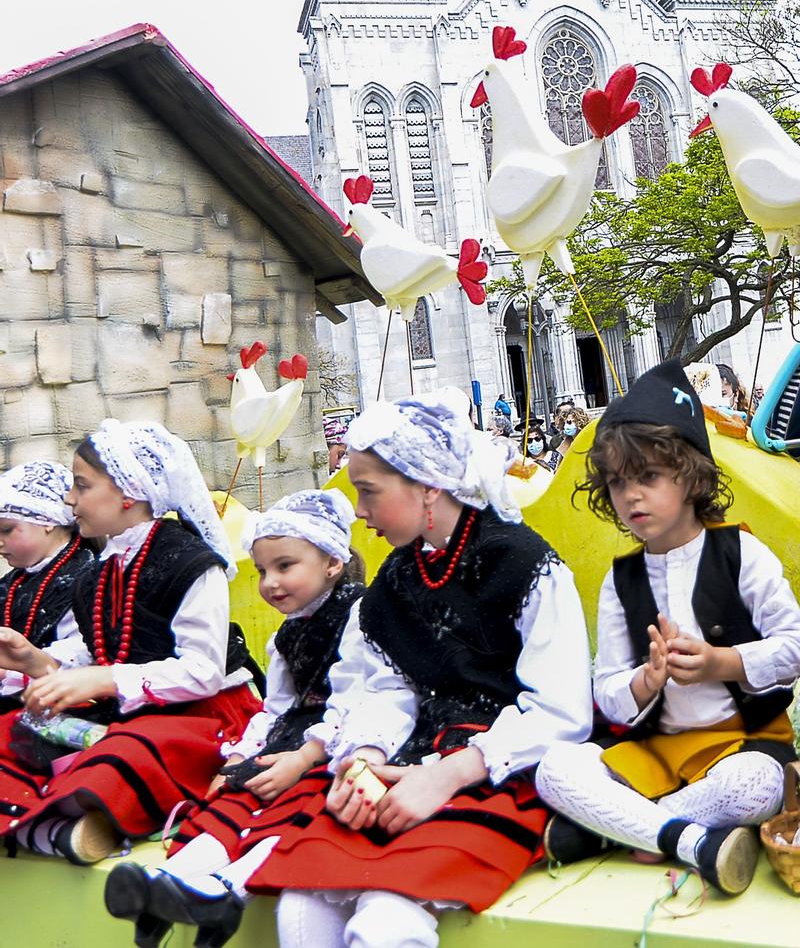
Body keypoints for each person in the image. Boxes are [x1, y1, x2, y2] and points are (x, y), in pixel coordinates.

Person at [243, 393, 592, 948]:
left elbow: (561, 709)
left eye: (369, 491)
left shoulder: (522, 563)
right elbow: (389, 686)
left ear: (427, 485)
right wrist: (363, 756)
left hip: (498, 769)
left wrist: (447, 774)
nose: (358, 510)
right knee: (301, 904)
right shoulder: (397, 579)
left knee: (385, 917)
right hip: (410, 762)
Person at [535, 362, 800, 893]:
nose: (631, 496)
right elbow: (610, 688)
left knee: (755, 787)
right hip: (656, 754)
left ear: (689, 476)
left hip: (740, 747)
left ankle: (622, 829)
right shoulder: (621, 580)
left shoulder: (740, 554)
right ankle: (688, 840)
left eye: (647, 478)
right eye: (618, 483)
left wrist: (722, 662)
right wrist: (648, 678)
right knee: (556, 768)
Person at [104, 489, 367, 948]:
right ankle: (171, 881)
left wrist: (306, 757)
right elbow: (276, 708)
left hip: (340, 743)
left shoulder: (360, 615)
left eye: (285, 566)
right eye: (264, 570)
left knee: (298, 809)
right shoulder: (287, 634)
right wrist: (241, 755)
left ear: (332, 562)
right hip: (291, 741)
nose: (270, 582)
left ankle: (227, 890)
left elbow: (359, 698)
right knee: (237, 798)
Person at [0, 422, 260, 865]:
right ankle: (58, 831)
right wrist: (35, 662)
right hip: (133, 710)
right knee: (10, 731)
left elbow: (202, 672)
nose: (70, 499)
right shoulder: (101, 569)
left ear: (128, 492)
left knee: (125, 752)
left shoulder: (191, 563)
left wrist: (104, 679)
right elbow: (99, 651)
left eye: (81, 486)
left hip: (201, 713)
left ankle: (54, 826)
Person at [0, 462, 95, 714]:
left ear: (47, 521)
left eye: (7, 530)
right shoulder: (14, 581)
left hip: (65, 706)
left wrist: (12, 670)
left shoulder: (88, 576)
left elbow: (85, 653)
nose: (0, 542)